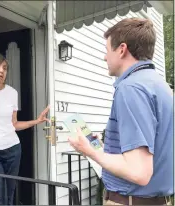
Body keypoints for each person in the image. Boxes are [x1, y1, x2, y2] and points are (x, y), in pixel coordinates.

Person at [68, 18, 173, 205]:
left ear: (122, 49)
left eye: (107, 51)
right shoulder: (161, 86)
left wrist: (89, 151)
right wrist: (104, 147)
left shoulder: (130, 88)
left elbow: (139, 172)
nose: (104, 57)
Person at [0, 55, 50, 205]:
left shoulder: (12, 93)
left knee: (9, 195)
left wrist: (37, 121)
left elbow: (14, 124)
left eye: (4, 68)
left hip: (12, 150)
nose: (1, 70)